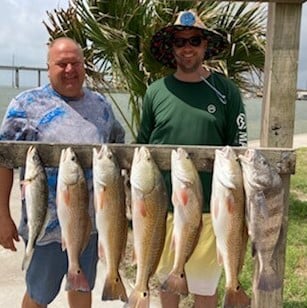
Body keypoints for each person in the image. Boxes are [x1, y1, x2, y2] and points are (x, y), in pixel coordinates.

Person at [0, 37, 125, 308]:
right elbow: (4, 161)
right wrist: (2, 215)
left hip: (90, 224)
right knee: (38, 294)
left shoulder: (101, 105)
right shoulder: (25, 105)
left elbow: (118, 150)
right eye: (61, 64)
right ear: (48, 67)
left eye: (75, 63)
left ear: (84, 66)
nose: (70, 69)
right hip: (44, 227)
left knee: (81, 286)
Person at [136, 10, 248, 308]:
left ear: (204, 46)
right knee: (167, 285)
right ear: (171, 48)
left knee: (205, 289)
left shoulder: (226, 92)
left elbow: (238, 146)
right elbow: (143, 144)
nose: (187, 47)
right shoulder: (155, 92)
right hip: (161, 208)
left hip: (213, 208)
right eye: (180, 41)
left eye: (194, 40)